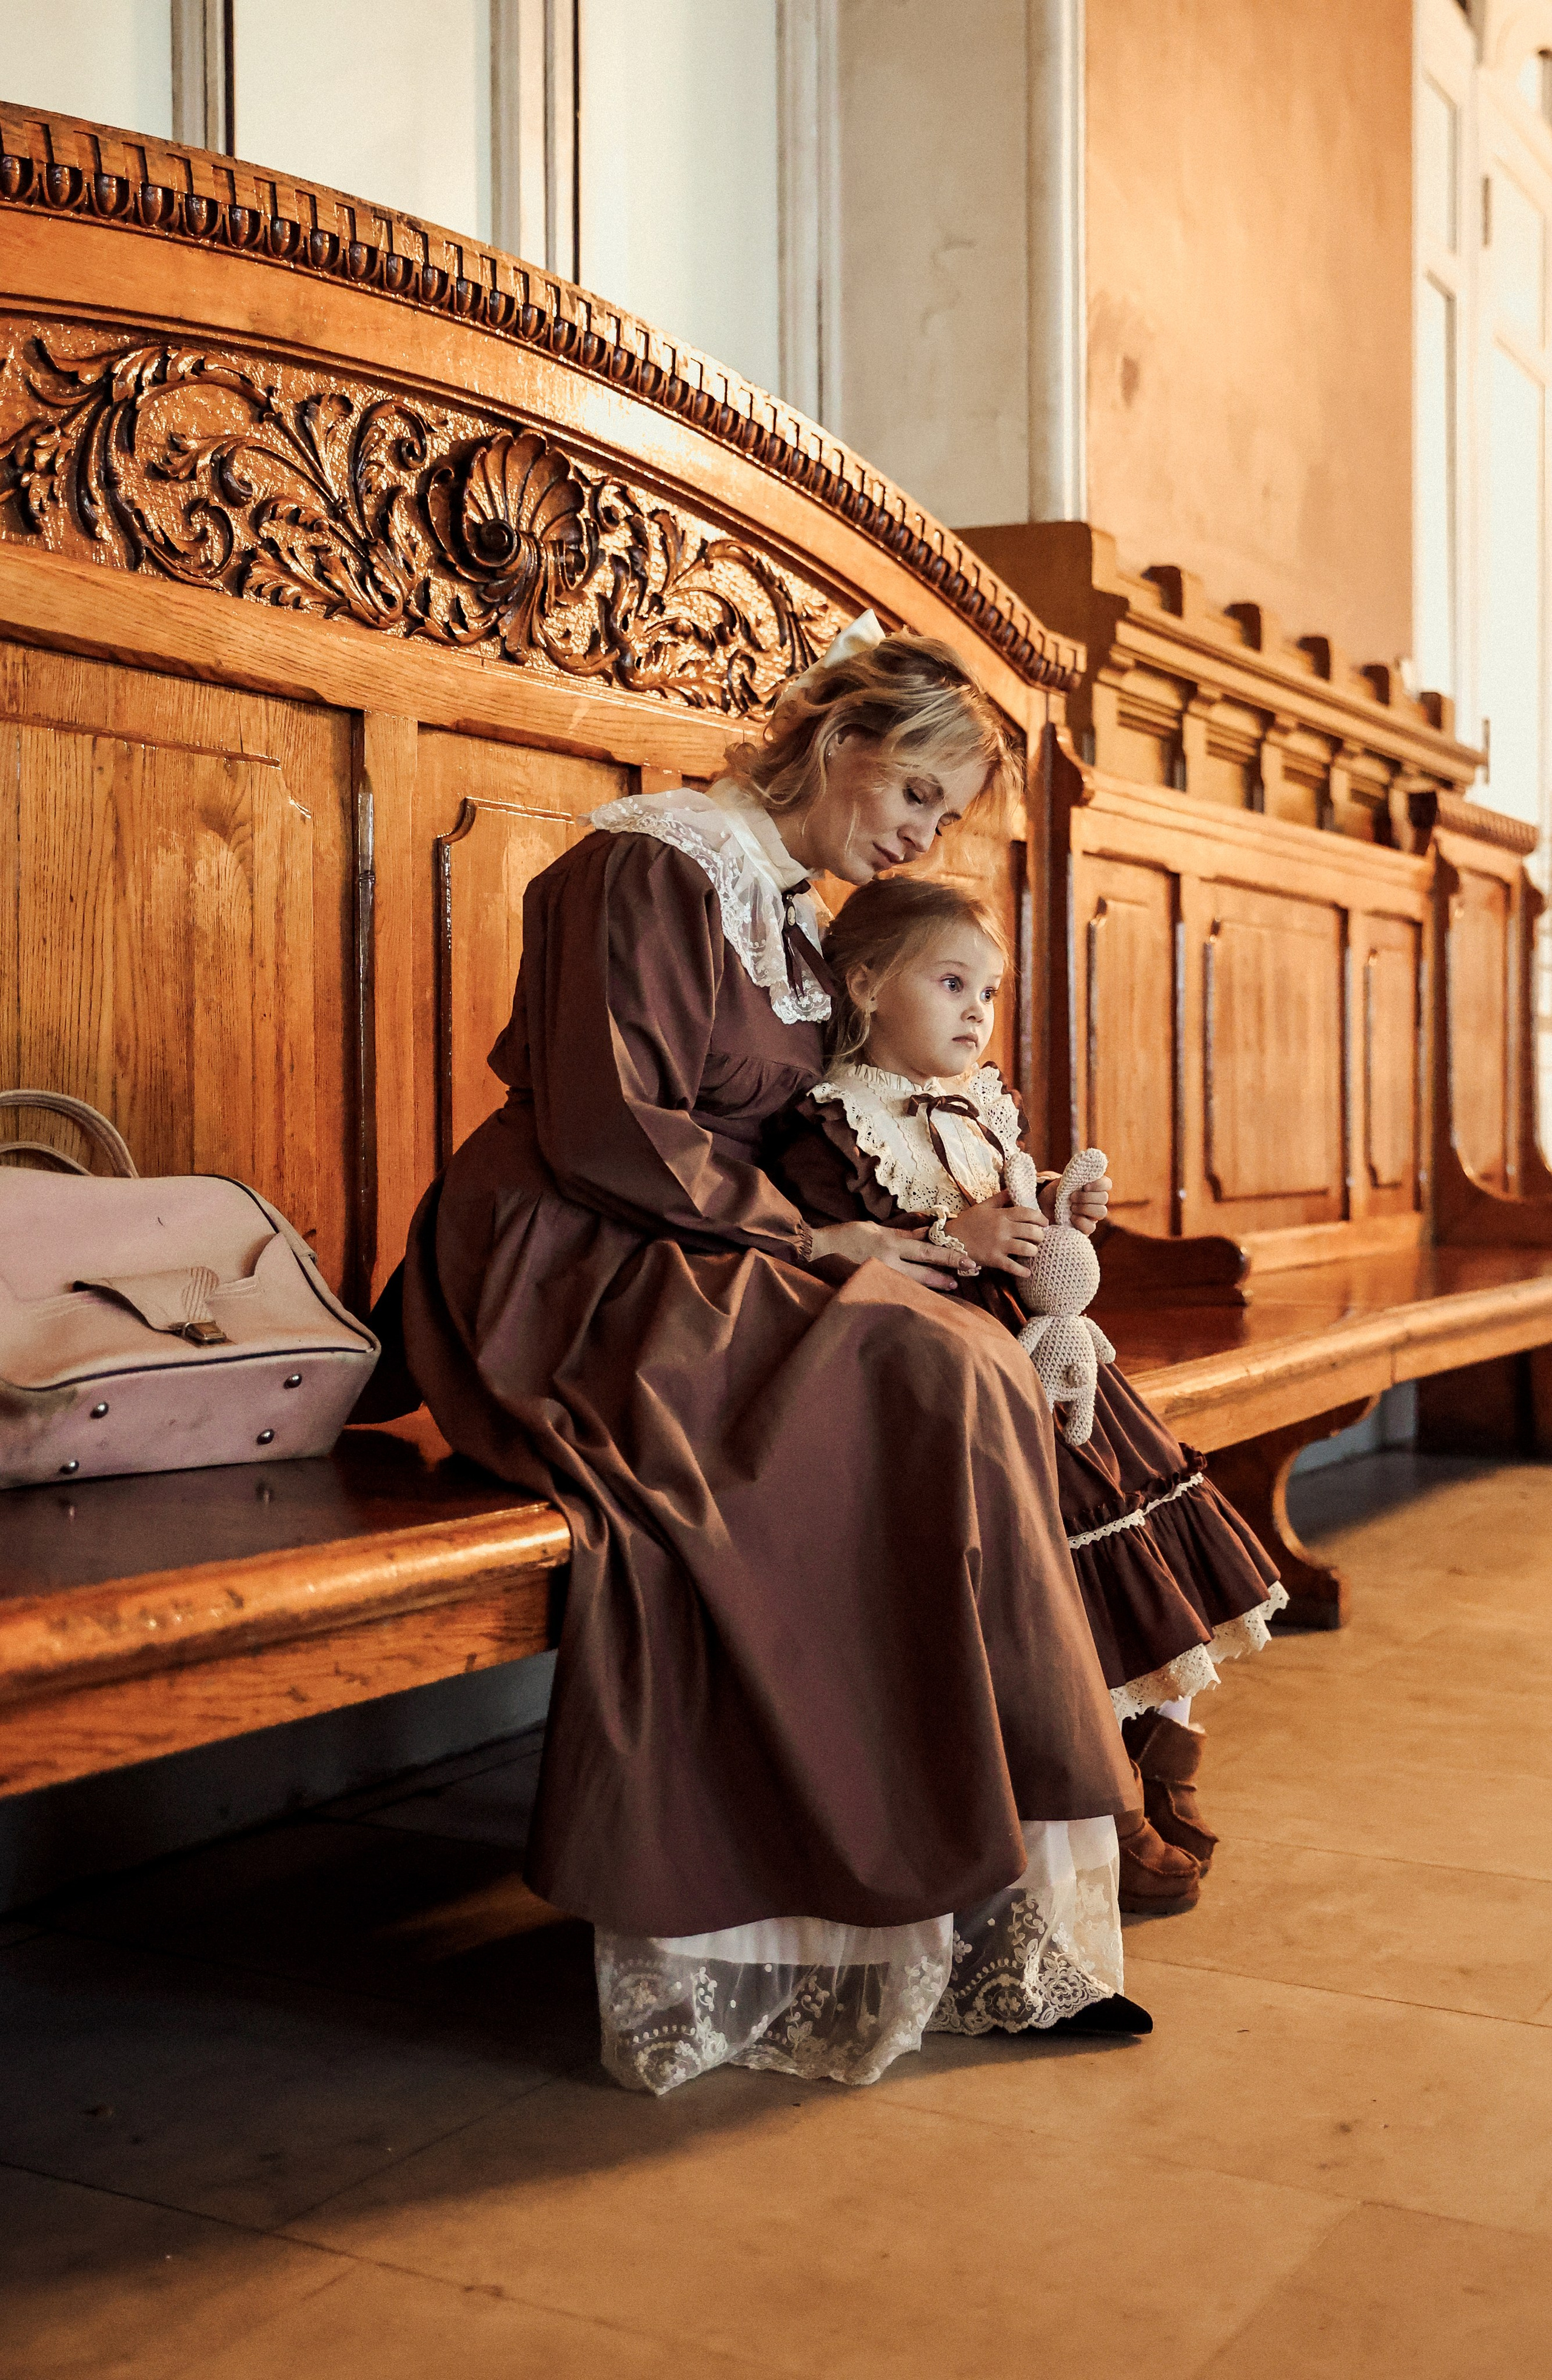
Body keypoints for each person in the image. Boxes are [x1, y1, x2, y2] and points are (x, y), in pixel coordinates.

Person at [400, 613, 1150, 2093]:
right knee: (923, 1372)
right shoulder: (646, 861)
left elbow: (835, 1117)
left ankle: (987, 1910)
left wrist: (957, 1217)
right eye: (915, 793)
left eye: (942, 814)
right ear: (841, 741)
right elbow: (608, 1123)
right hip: (578, 1251)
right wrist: (814, 1243)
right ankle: (812, 1903)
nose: (920, 833)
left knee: (972, 1351)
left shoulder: (802, 919)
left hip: (711, 1237)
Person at [770, 870, 1286, 1916]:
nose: (978, 1011)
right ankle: (1104, 1805)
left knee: (1142, 1544)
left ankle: (1161, 1756)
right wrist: (947, 1235)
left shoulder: (981, 1103)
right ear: (864, 983)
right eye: (951, 983)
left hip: (1058, 1368)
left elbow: (1012, 1214)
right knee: (1064, 1586)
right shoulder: (831, 1127)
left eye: (990, 991)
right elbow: (825, 1270)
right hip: (962, 1385)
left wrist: (1056, 1210)